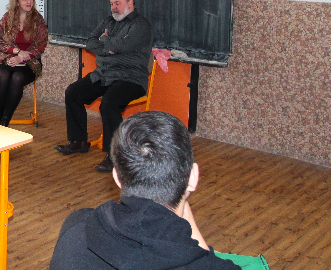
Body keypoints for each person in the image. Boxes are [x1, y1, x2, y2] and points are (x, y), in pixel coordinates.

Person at [50, 111, 239, 270]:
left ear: (117, 177)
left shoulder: (76, 230)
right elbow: (204, 260)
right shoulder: (200, 263)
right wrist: (184, 194)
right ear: (193, 177)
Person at [55, 0, 152, 173]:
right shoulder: (108, 21)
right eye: (112, 4)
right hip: (105, 74)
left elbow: (122, 46)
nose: (114, 7)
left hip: (131, 78)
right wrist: (110, 48)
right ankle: (78, 141)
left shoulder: (141, 25)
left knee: (109, 103)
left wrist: (106, 41)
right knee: (73, 92)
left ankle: (114, 155)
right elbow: (91, 42)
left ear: (130, 3)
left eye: (118, 3)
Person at [0, 0, 48, 126]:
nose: (29, 2)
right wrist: (16, 52)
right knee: (3, 75)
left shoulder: (38, 20)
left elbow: (41, 46)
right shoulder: (7, 18)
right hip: (9, 58)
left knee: (17, 78)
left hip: (31, 62)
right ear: (17, 2)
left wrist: (21, 57)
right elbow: (0, 42)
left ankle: (4, 122)